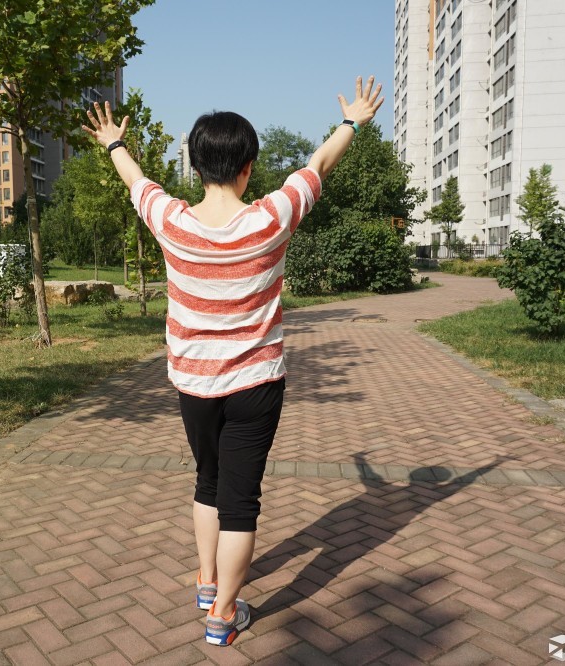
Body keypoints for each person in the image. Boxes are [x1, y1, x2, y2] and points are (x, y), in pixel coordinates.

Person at [83, 76, 383, 647]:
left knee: (207, 481)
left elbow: (137, 181)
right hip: (255, 384)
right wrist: (352, 122)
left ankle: (206, 580)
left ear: (197, 167)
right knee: (241, 502)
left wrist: (114, 144)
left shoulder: (171, 222)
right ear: (248, 166)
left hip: (193, 381)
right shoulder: (272, 218)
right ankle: (222, 613)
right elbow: (319, 163)